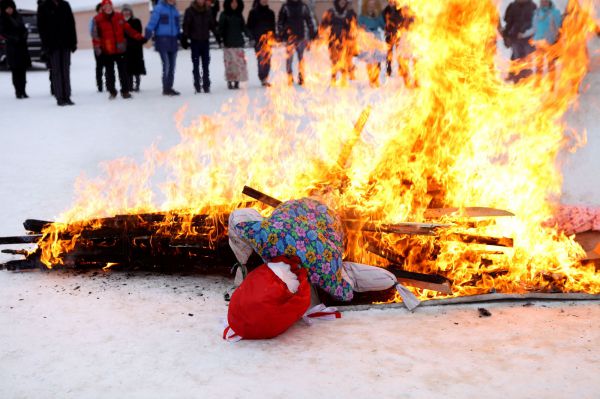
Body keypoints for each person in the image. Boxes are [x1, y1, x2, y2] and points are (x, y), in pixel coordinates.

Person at [92, 0, 145, 99]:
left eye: (109, 6)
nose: (108, 8)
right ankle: (112, 92)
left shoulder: (118, 16)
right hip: (107, 50)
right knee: (109, 73)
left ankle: (125, 91)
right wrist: (98, 49)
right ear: (103, 8)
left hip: (120, 49)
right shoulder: (97, 19)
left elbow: (128, 29)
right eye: (106, 6)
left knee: (123, 71)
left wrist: (139, 37)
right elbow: (95, 36)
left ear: (112, 7)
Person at [37, 0, 77, 106]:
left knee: (65, 70)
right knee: (56, 71)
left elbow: (71, 23)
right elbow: (41, 28)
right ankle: (60, 97)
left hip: (66, 44)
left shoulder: (65, 4)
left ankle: (67, 96)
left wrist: (73, 42)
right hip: (52, 46)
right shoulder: (43, 6)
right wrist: (46, 45)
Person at [183, 0, 221, 93]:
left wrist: (217, 36)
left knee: (206, 65)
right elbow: (186, 25)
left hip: (205, 41)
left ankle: (206, 85)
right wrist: (184, 37)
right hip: (195, 41)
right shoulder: (190, 11)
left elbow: (212, 25)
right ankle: (197, 85)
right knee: (196, 65)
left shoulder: (208, 11)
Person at [145, 0, 181, 96]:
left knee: (172, 65)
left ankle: (170, 87)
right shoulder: (159, 8)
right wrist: (148, 33)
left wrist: (180, 34)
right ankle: (166, 88)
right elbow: (153, 21)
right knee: (167, 65)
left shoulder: (175, 10)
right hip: (162, 40)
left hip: (173, 40)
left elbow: (177, 25)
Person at [277, 0, 316, 86]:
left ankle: (301, 76)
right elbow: (280, 22)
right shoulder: (285, 7)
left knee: (301, 59)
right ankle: (289, 76)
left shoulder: (303, 7)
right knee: (289, 59)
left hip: (300, 37)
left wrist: (312, 33)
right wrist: (281, 34)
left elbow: (309, 20)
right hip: (289, 38)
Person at [320, 0, 357, 84]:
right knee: (334, 60)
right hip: (333, 41)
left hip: (345, 41)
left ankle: (343, 79)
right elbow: (323, 26)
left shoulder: (350, 13)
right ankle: (333, 77)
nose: (342, 2)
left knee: (344, 60)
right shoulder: (330, 13)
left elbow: (353, 28)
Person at [0, 0, 31, 99]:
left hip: (22, 47)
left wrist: (25, 35)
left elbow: (24, 28)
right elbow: (3, 32)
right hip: (12, 48)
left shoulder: (18, 16)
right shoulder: (3, 19)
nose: (9, 10)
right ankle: (18, 91)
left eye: (11, 8)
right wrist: (13, 38)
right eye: (7, 8)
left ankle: (23, 90)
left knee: (23, 70)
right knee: (15, 71)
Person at [503, 0, 537, 83]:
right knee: (515, 57)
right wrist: (506, 36)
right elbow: (508, 23)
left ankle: (525, 79)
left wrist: (525, 32)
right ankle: (514, 77)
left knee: (526, 60)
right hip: (515, 38)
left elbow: (535, 23)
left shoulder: (532, 6)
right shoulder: (512, 6)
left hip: (527, 39)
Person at [218, 0, 249, 89]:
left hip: (238, 43)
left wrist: (249, 35)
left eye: (236, 3)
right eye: (232, 2)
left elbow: (243, 27)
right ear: (229, 3)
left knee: (238, 63)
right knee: (230, 64)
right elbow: (221, 28)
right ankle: (230, 81)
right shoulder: (224, 15)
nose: (234, 4)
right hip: (228, 43)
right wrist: (220, 39)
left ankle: (236, 81)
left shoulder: (239, 15)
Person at [530, 0, 562, 88]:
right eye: (541, 1)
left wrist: (555, 39)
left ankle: (551, 86)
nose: (543, 2)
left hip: (550, 43)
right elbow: (534, 27)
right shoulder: (536, 13)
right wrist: (526, 35)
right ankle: (537, 85)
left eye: (545, 0)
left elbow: (559, 28)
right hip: (539, 43)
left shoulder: (555, 12)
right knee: (538, 65)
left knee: (551, 66)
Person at [382, 0, 414, 86]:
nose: (392, 2)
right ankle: (389, 69)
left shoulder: (401, 10)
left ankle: (401, 70)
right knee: (389, 53)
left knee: (400, 54)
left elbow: (404, 23)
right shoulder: (387, 10)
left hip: (400, 36)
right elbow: (384, 22)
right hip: (390, 34)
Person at [247, 0, 275, 86]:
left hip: (268, 40)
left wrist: (274, 37)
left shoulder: (271, 13)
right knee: (261, 60)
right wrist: (251, 38)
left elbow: (273, 27)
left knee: (268, 60)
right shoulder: (253, 12)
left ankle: (265, 77)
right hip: (258, 40)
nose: (264, 1)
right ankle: (262, 77)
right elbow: (249, 27)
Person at [358, 0, 385, 87]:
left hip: (376, 36)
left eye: (373, 5)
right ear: (366, 5)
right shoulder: (362, 16)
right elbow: (358, 25)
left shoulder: (378, 15)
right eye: (370, 5)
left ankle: (376, 78)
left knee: (377, 60)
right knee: (369, 60)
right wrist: (361, 27)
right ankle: (371, 79)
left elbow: (383, 25)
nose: (371, 6)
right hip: (367, 37)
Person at [121, 4, 146, 92]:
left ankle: (137, 84)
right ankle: (129, 85)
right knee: (127, 67)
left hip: (136, 47)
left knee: (136, 67)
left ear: (131, 12)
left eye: (128, 10)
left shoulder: (136, 21)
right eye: (124, 11)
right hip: (125, 48)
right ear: (122, 12)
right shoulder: (120, 22)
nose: (126, 12)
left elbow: (138, 33)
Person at [89, 3, 105, 92]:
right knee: (99, 66)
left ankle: (108, 83)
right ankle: (100, 85)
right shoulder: (93, 19)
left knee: (108, 65)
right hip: (98, 46)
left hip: (108, 46)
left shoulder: (108, 18)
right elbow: (91, 32)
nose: (102, 10)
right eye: (100, 9)